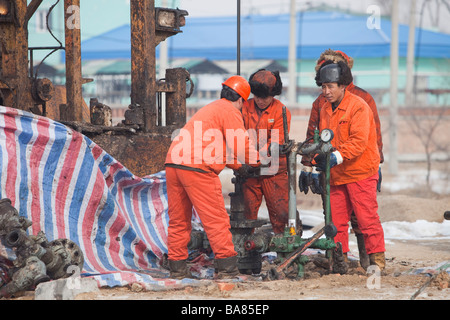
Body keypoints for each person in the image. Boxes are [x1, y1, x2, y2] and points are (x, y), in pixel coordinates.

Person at [164, 75, 259, 279]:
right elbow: (241, 145)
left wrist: (237, 166)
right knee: (216, 219)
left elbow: (214, 147)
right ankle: (227, 268)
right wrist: (258, 162)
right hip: (197, 168)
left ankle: (177, 268)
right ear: (241, 100)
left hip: (174, 163)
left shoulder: (211, 109)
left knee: (179, 220)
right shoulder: (230, 111)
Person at [299, 49, 384, 269]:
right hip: (336, 175)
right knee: (335, 222)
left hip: (360, 172)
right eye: (322, 87)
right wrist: (312, 163)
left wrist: (336, 156)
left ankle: (376, 261)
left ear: (342, 84)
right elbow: (319, 139)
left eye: (330, 87)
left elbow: (359, 141)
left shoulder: (359, 106)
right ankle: (340, 259)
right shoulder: (324, 108)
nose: (325, 92)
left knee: (366, 219)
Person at [241, 69, 298, 235]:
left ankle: (285, 250)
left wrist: (252, 159)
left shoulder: (281, 111)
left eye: (264, 97)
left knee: (282, 214)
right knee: (246, 216)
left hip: (274, 172)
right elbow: (239, 136)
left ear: (273, 94)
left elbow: (276, 142)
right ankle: (246, 250)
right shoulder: (244, 108)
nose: (260, 101)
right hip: (249, 173)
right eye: (257, 96)